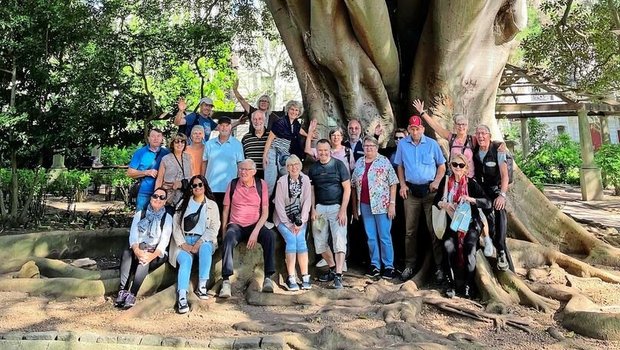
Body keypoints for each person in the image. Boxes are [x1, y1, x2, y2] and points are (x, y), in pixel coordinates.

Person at [413, 99, 495, 256]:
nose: (461, 127)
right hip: (453, 181)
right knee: (452, 211)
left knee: (478, 213)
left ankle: (487, 240)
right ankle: (456, 246)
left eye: (464, 124)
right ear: (455, 126)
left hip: (469, 181)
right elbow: (436, 127)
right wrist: (423, 113)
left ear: (468, 126)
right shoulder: (451, 138)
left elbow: (487, 141)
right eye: (459, 124)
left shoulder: (473, 139)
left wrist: (500, 146)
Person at [395, 115, 446, 282]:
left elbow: (442, 165)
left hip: (430, 191)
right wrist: (402, 184)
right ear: (409, 129)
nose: (415, 131)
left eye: (417, 128)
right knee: (410, 231)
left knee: (434, 230)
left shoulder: (432, 144)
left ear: (422, 129)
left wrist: (437, 181)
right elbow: (400, 166)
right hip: (411, 192)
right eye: (412, 128)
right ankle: (410, 265)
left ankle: (439, 267)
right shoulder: (403, 144)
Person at [434, 154, 492, 298]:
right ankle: (451, 284)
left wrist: (471, 199)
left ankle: (468, 285)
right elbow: (436, 200)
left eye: (461, 165)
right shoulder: (446, 182)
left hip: (470, 224)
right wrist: (444, 204)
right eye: (455, 164)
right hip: (452, 223)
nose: (457, 168)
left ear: (466, 168)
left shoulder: (471, 183)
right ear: (450, 166)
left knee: (469, 248)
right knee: (448, 247)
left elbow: (488, 203)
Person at [219, 159, 275, 298]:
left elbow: (265, 212)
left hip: (255, 224)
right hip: (236, 225)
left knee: (269, 236)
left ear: (254, 172)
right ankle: (226, 281)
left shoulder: (261, 184)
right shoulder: (232, 184)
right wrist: (224, 232)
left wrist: (256, 232)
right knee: (229, 238)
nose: (243, 172)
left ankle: (268, 277)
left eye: (246, 169)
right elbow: (226, 210)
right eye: (241, 169)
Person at [169, 175, 220, 313]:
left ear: (204, 186)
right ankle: (182, 296)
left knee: (205, 249)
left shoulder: (212, 205)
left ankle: (202, 286)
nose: (197, 187)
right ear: (191, 188)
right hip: (184, 241)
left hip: (203, 239)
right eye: (194, 185)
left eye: (200, 185)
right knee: (185, 261)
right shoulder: (183, 203)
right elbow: (176, 226)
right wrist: (182, 244)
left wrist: (199, 242)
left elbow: (214, 227)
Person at [115, 187, 172, 309]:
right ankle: (122, 290)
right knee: (127, 252)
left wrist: (149, 255)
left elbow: (164, 243)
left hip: (155, 253)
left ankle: (133, 294)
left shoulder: (167, 218)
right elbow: (133, 236)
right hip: (138, 248)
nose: (158, 199)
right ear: (151, 198)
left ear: (165, 201)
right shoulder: (140, 214)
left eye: (162, 197)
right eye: (155, 196)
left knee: (144, 259)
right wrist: (137, 250)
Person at [351, 136, 399, 279]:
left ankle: (388, 266)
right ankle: (375, 265)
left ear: (376, 147)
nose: (369, 148)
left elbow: (393, 183)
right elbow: (353, 185)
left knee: (384, 235)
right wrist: (355, 208)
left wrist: (392, 204)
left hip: (382, 205)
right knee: (371, 236)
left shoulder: (383, 161)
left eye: (371, 146)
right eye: (366, 146)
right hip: (365, 205)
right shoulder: (359, 162)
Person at [308, 139, 351, 289]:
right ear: (317, 152)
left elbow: (347, 189)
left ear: (330, 150)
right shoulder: (313, 169)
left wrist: (343, 210)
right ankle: (332, 268)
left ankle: (338, 276)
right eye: (320, 151)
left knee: (339, 241)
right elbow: (312, 191)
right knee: (320, 244)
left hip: (336, 208)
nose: (323, 153)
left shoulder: (339, 165)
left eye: (326, 150)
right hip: (320, 210)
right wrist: (313, 209)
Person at [473, 125, 512, 271]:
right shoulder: (474, 149)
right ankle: (489, 243)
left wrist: (502, 195)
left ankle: (501, 249)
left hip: (495, 189)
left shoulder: (497, 150)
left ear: (489, 135)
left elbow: (504, 176)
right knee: (487, 217)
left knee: (500, 211)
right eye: (478, 133)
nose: (481, 136)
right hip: (481, 190)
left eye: (484, 133)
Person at [273, 155, 312, 291]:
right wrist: (289, 224)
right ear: (287, 168)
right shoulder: (282, 182)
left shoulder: (305, 180)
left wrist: (300, 221)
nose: (293, 167)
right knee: (291, 240)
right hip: (283, 219)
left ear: (299, 166)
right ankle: (291, 277)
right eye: (290, 165)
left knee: (301, 240)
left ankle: (305, 276)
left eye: (296, 164)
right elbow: (278, 205)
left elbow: (307, 201)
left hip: (300, 219)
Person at [263, 100, 308, 196]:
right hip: (274, 152)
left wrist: (309, 135)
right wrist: (265, 155)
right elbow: (270, 139)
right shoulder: (280, 122)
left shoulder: (295, 124)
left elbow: (300, 131)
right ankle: (263, 207)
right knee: (270, 182)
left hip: (285, 154)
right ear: (288, 110)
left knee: (287, 178)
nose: (294, 112)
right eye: (292, 109)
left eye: (296, 110)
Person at [202, 116, 245, 213]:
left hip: (229, 187)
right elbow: (204, 163)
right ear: (218, 127)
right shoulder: (209, 144)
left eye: (226, 125)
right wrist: (203, 181)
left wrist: (239, 184)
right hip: (211, 187)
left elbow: (240, 165)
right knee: (211, 216)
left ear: (230, 127)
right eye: (221, 125)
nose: (224, 128)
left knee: (226, 215)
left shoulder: (237, 144)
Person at [127, 128, 170, 211]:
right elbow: (129, 173)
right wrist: (146, 172)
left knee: (158, 221)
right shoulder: (140, 152)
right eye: (153, 136)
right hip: (145, 192)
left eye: (158, 136)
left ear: (162, 138)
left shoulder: (167, 152)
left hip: (162, 193)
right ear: (148, 138)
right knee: (140, 218)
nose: (156, 138)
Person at [175, 97, 244, 143]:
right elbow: (178, 122)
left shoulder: (209, 120)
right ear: (200, 106)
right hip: (190, 150)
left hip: (203, 150)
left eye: (210, 106)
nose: (207, 108)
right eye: (205, 105)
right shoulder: (194, 116)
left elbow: (223, 128)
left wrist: (238, 122)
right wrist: (181, 111)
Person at [155, 133, 193, 208]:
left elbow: (191, 178)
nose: (180, 144)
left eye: (182, 142)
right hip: (169, 197)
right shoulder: (165, 159)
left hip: (185, 197)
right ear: (172, 144)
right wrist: (157, 197)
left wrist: (181, 184)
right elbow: (159, 180)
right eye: (177, 142)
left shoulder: (188, 158)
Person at [242, 110, 270, 179]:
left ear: (264, 120)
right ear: (251, 121)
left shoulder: (271, 136)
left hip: (267, 175)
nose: (257, 122)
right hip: (250, 176)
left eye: (260, 119)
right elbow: (243, 157)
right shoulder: (246, 138)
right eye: (254, 119)